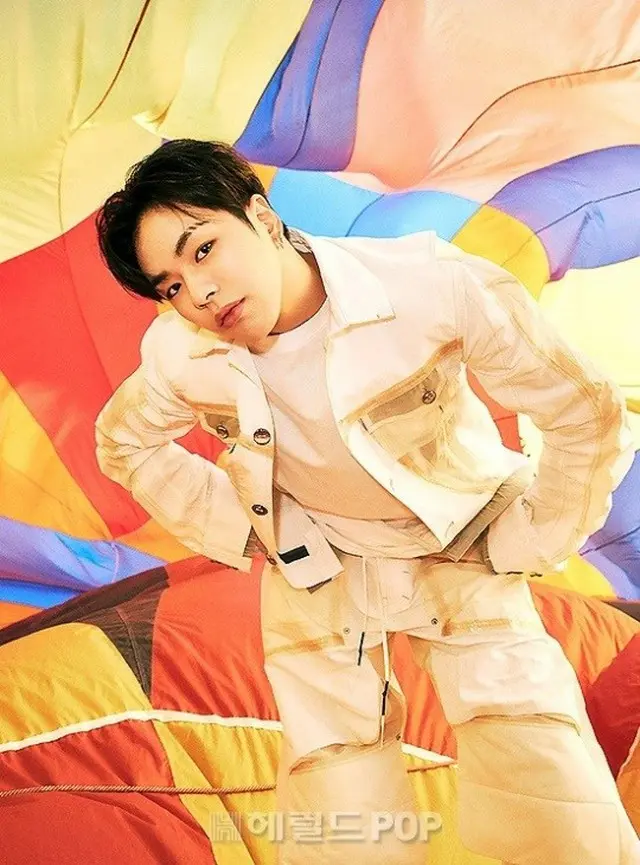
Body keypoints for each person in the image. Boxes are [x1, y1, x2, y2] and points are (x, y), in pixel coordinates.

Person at [94, 139, 638, 865]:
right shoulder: (178, 352)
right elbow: (123, 442)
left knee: (544, 767)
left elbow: (586, 408)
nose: (199, 293)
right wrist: (256, 530)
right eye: (169, 285)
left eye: (204, 249)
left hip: (461, 537)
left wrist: (533, 534)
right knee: (336, 794)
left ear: (261, 216)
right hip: (321, 563)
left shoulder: (428, 284)